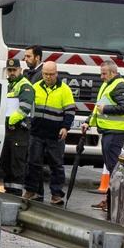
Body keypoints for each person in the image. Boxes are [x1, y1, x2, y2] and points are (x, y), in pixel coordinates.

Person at [25, 61, 75, 205]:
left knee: (56, 165)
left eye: (51, 74)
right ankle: (31, 190)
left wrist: (65, 127)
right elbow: (28, 107)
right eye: (45, 74)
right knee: (33, 163)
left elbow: (70, 111)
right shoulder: (35, 87)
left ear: (56, 73)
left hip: (55, 134)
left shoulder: (64, 90)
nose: (48, 77)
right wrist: (29, 124)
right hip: (37, 132)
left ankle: (56, 194)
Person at [87, 60, 124, 210]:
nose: (101, 76)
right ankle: (109, 200)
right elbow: (97, 108)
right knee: (112, 167)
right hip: (108, 131)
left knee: (114, 169)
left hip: (115, 131)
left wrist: (105, 109)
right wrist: (88, 122)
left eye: (104, 73)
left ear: (113, 73)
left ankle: (114, 202)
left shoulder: (119, 85)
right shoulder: (108, 85)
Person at [0, 58, 34, 196]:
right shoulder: (9, 85)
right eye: (9, 70)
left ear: (20, 70)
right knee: (7, 161)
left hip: (19, 130)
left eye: (14, 70)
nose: (11, 73)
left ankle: (16, 193)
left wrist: (10, 121)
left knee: (17, 163)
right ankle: (8, 190)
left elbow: (24, 108)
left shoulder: (25, 86)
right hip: (9, 129)